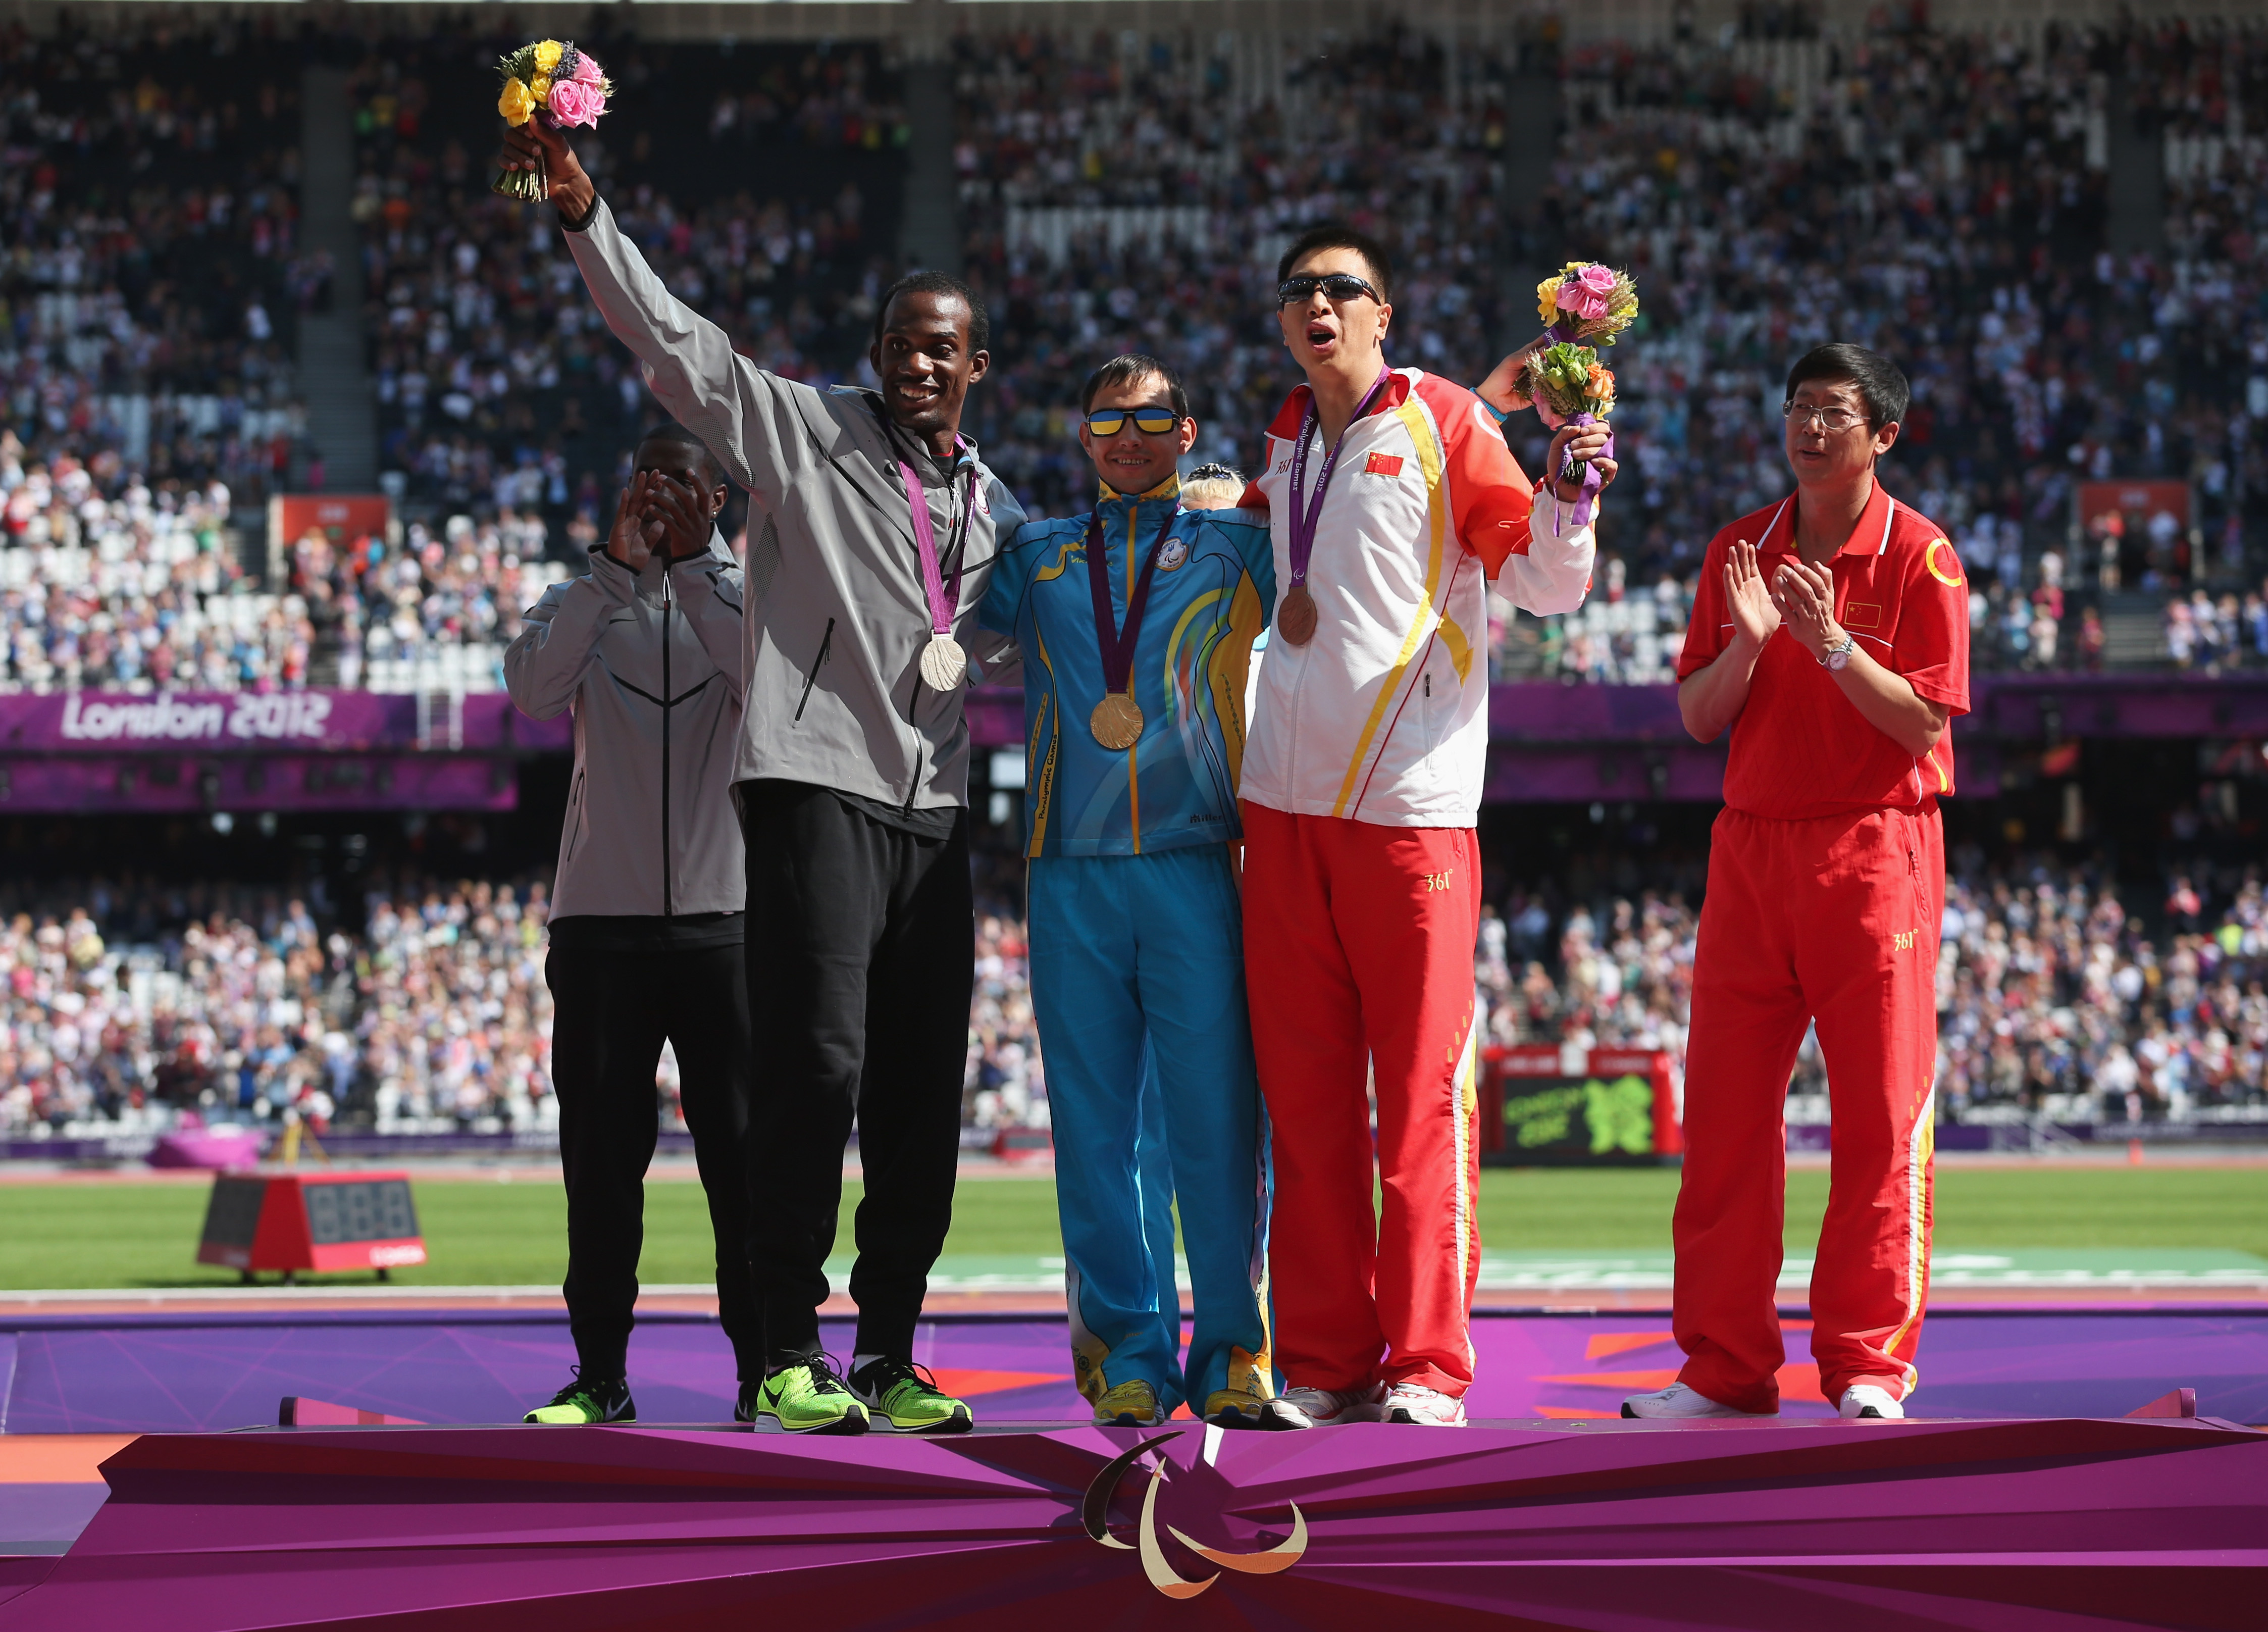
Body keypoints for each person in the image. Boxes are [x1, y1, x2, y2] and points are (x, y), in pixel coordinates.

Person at [501, 117, 1024, 1436]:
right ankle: (788, 1349)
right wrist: (583, 215)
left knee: (918, 1086)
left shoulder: (997, 511)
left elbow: (1039, 614)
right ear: (876, 356)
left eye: (942, 346)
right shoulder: (799, 433)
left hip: (934, 809)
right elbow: (675, 345)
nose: (920, 361)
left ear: (975, 365)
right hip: (813, 789)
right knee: (817, 1070)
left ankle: (890, 1350)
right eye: (902, 340)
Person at [1235, 224, 1613, 1429]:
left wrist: (1567, 489)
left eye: (1341, 289)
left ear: (1382, 313)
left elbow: (1545, 584)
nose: (1318, 306)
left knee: (1416, 1103)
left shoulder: (1447, 421)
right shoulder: (1285, 438)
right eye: (1299, 291)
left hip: (1408, 814)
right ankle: (1327, 1363)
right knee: (1302, 1114)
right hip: (1280, 815)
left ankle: (1425, 1367)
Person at [1626, 342, 1967, 1424]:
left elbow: (1922, 720)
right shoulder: (1739, 549)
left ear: (1882, 433)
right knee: (1723, 1120)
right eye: (1796, 408)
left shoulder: (1921, 557)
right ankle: (1723, 1366)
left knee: (1875, 1115)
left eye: (1833, 411)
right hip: (1750, 849)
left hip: (1873, 849)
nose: (1808, 427)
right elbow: (1696, 715)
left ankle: (1866, 1363)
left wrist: (1826, 646)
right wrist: (1755, 640)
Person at [980, 355, 1276, 1430]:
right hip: (1067, 869)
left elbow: (1351, 522)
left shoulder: (1240, 545)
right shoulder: (1037, 556)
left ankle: (1235, 1348)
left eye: (1150, 416)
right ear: (1082, 435)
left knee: (1216, 1123)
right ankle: (1126, 1351)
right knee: (1094, 1128)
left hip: (1200, 859)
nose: (1126, 434)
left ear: (1187, 429)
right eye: (1106, 418)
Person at [504, 426, 755, 1423]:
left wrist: (695, 568)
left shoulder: (754, 593)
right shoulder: (579, 598)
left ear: (721, 499)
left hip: (727, 922)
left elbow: (772, 687)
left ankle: (761, 1370)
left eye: (685, 488)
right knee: (600, 1167)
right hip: (600, 924)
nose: (664, 504)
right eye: (648, 485)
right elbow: (530, 692)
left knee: (743, 1165)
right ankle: (599, 1374)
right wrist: (614, 570)